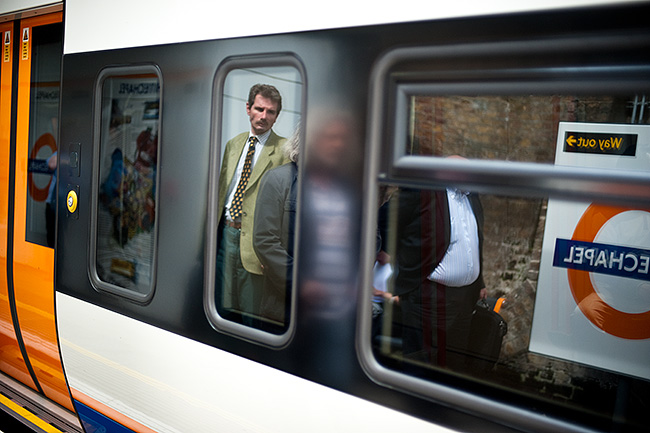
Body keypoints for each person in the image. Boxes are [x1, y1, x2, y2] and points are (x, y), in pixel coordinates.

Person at [391, 181, 487, 372]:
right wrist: (397, 260)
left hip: (464, 298)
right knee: (421, 363)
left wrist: (479, 281)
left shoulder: (472, 197)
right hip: (429, 294)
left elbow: (474, 240)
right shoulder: (424, 192)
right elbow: (392, 224)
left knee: (454, 365)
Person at [216, 84, 288, 322]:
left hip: (257, 246)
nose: (264, 116)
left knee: (250, 314)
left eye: (271, 112)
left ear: (277, 116)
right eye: (259, 109)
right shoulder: (234, 144)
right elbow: (220, 195)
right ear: (248, 109)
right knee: (221, 308)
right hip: (226, 236)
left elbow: (286, 209)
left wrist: (274, 255)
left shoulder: (284, 151)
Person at [252, 128, 300, 330]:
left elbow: (370, 236)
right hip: (283, 307)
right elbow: (264, 241)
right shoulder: (277, 179)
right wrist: (303, 285)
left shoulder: (344, 186)